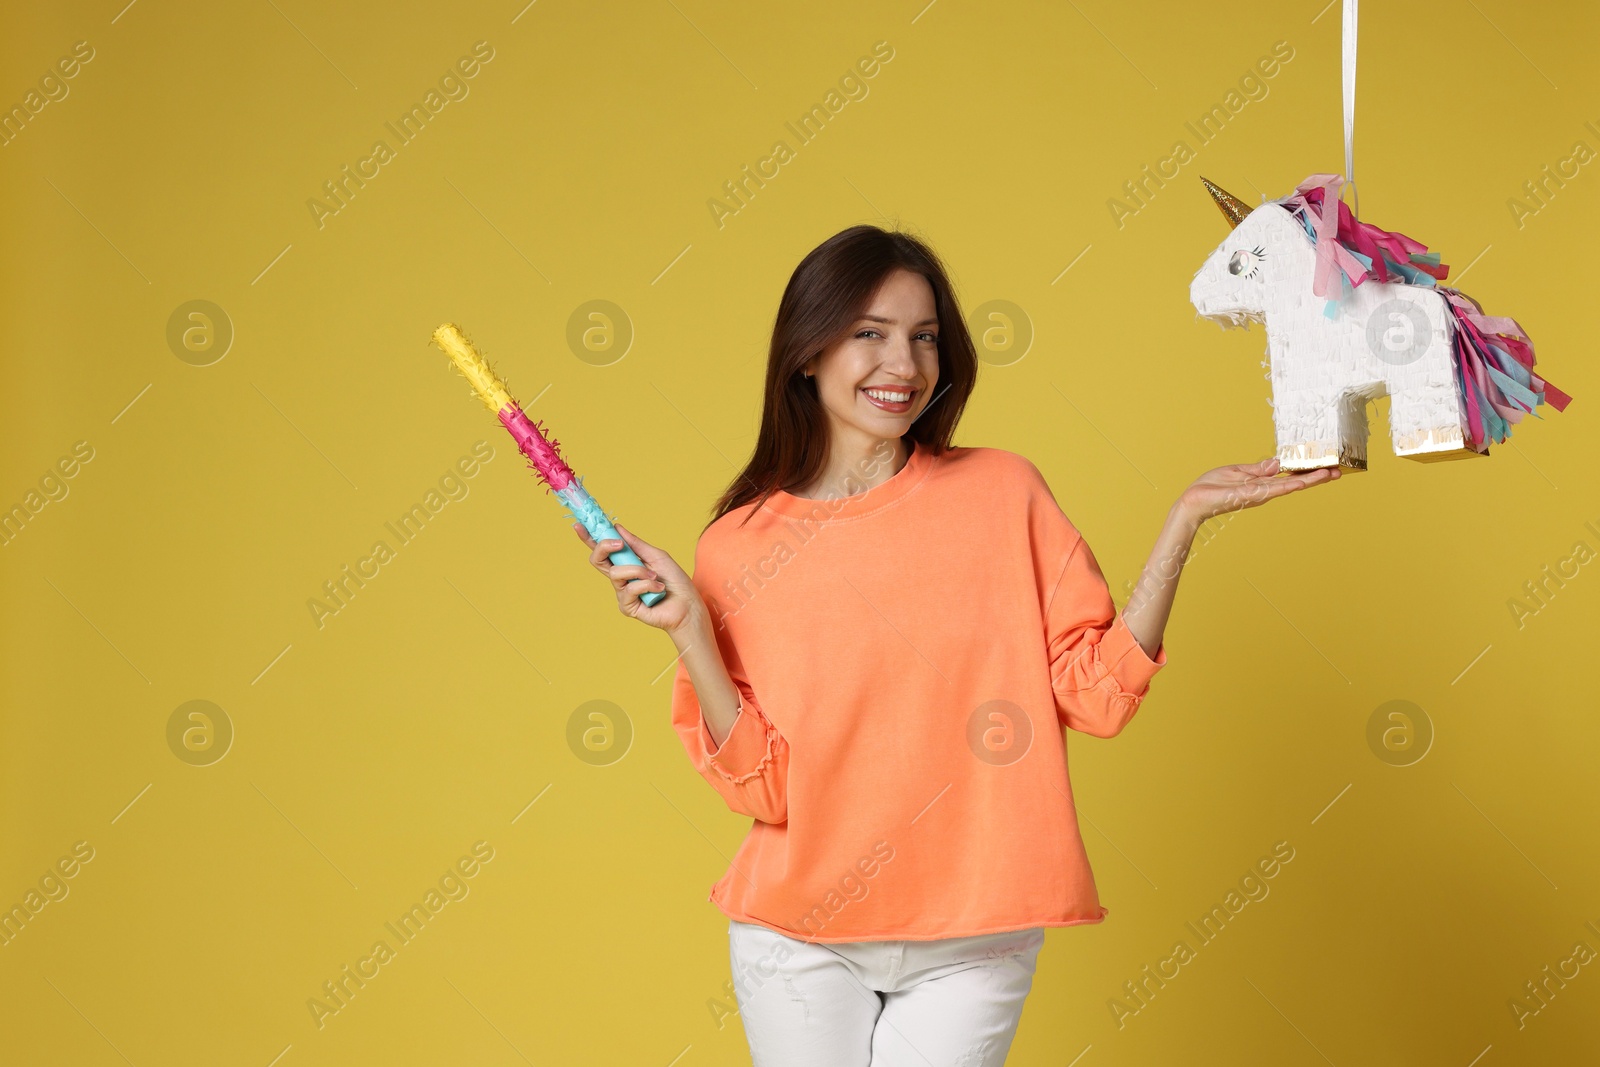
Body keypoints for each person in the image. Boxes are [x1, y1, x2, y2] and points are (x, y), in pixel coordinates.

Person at [573, 225, 1339, 1065]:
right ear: (806, 353)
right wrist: (690, 631)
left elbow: (1094, 695)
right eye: (869, 333)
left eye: (923, 336)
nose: (902, 363)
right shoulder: (735, 546)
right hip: (797, 937)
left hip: (977, 932)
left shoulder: (1002, 492)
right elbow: (762, 790)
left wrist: (1181, 524)